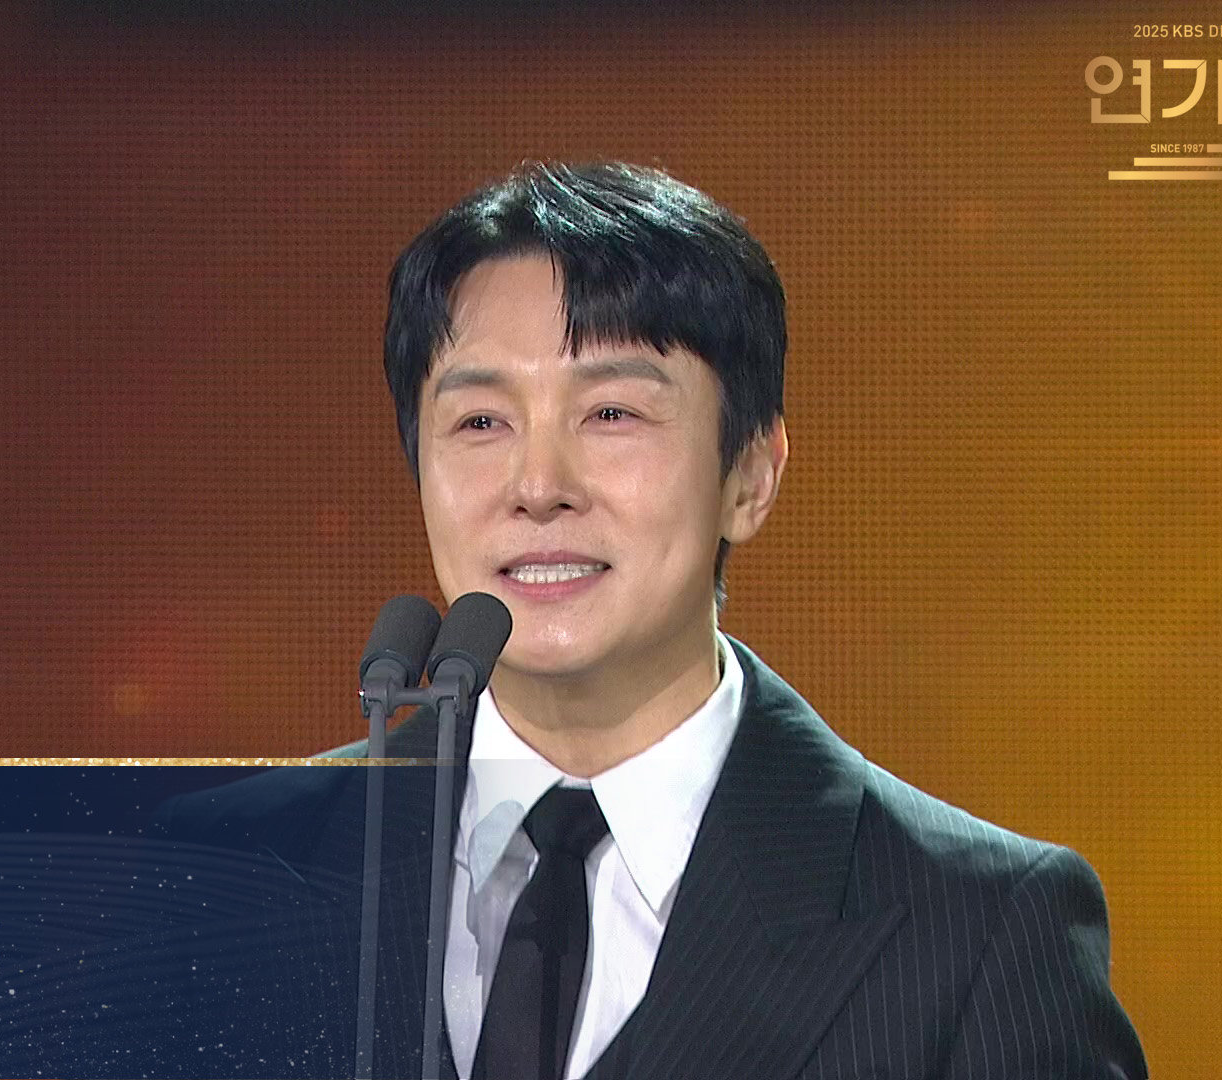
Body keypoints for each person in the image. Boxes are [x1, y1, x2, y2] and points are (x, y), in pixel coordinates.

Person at [165, 161, 1148, 1079]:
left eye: (612, 415)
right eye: (480, 423)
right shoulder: (218, 875)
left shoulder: (978, 930)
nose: (538, 486)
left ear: (750, 476)